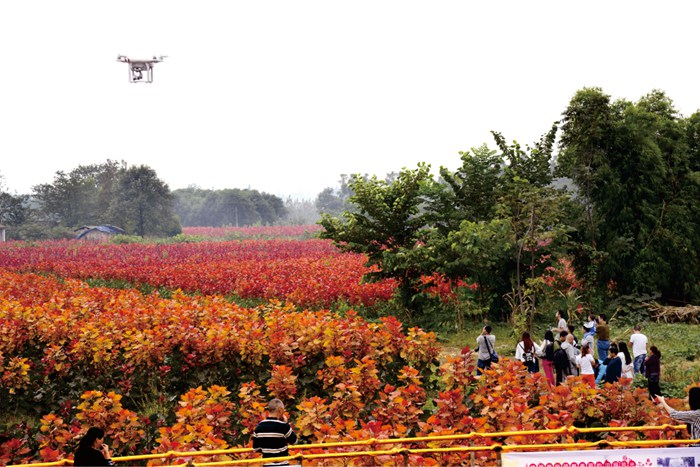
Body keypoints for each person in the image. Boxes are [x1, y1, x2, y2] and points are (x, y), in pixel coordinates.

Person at [252, 398, 298, 466]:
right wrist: (286, 423)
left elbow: (256, 449)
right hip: (282, 464)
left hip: (267, 464)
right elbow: (295, 442)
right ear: (280, 410)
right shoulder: (284, 426)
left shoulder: (259, 427)